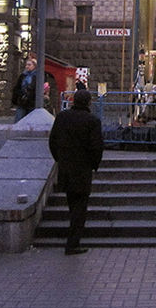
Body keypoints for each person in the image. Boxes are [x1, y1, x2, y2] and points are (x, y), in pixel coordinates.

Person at [48, 89, 104, 255]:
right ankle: (72, 243)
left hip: (66, 168)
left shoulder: (62, 117)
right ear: (88, 103)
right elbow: (96, 147)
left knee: (72, 204)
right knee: (80, 208)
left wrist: (60, 159)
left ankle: (72, 240)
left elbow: (53, 141)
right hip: (82, 170)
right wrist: (94, 165)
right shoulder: (92, 121)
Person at [12, 57, 37, 122]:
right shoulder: (23, 76)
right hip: (22, 101)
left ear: (34, 66)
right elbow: (17, 87)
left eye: (29, 65)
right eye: (26, 65)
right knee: (18, 120)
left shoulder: (37, 76)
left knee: (30, 122)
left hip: (32, 102)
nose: (27, 66)